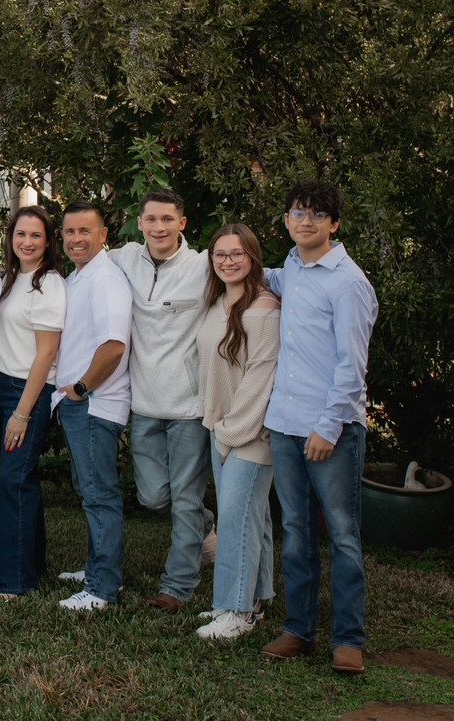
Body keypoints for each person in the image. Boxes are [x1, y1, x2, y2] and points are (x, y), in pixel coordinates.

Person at [260, 182, 377, 674]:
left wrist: (328, 428)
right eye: (297, 212)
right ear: (287, 219)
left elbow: (352, 368)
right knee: (296, 532)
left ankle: (348, 639)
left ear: (335, 224)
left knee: (344, 534)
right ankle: (298, 630)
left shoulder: (348, 283)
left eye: (316, 214)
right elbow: (263, 275)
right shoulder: (292, 268)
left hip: (330, 430)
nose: (305, 221)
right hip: (284, 425)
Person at [106, 189, 214, 613]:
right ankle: (205, 526)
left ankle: (177, 587)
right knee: (153, 497)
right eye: (151, 219)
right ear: (140, 223)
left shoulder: (204, 266)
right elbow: (86, 263)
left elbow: (252, 277)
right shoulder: (124, 258)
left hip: (188, 406)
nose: (159, 227)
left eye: (168, 219)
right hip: (144, 403)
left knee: (185, 499)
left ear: (182, 223)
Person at [194, 223, 280, 640]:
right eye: (220, 255)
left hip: (249, 431)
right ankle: (258, 599)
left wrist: (231, 433)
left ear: (253, 257)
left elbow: (260, 378)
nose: (228, 261)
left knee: (233, 520)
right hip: (221, 426)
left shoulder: (263, 310)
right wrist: (217, 427)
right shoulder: (218, 302)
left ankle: (235, 609)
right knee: (253, 516)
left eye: (236, 254)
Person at [51, 200, 133, 612]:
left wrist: (81, 388)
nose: (76, 239)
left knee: (100, 496)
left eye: (86, 231)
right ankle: (95, 568)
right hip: (81, 405)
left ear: (104, 235)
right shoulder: (81, 276)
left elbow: (114, 345)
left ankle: (101, 589)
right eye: (69, 232)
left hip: (97, 406)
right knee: (90, 491)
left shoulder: (106, 280)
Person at [0, 206, 65, 598]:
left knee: (14, 480)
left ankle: (15, 582)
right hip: (1, 386)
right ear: (11, 239)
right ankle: (32, 565)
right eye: (21, 235)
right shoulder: (12, 278)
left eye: (36, 236)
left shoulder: (48, 283)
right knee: (12, 480)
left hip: (27, 391)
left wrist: (22, 412)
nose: (27, 242)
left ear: (48, 241)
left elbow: (46, 354)